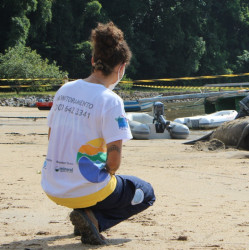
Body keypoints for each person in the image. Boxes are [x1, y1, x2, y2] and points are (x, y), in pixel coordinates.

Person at [41, 22, 156, 245]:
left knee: (92, 168)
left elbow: (51, 136)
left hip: (52, 184)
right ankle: (94, 219)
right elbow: (114, 162)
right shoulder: (111, 101)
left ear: (93, 61)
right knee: (145, 192)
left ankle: (84, 213)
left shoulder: (65, 90)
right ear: (122, 68)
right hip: (84, 187)